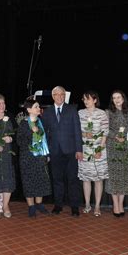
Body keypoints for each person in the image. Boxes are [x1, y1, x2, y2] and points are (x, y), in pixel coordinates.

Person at [42, 86, 83, 217]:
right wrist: (46, 152)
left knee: (72, 180)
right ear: (53, 96)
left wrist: (79, 150)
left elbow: (77, 131)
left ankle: (75, 207)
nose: (60, 97)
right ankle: (58, 205)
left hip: (71, 151)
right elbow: (44, 134)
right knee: (57, 179)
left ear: (65, 96)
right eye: (57, 94)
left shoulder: (71, 110)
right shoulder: (47, 112)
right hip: (54, 151)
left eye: (62, 94)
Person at [17, 98, 52, 217]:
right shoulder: (23, 123)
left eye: (38, 106)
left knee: (41, 180)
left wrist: (47, 154)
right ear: (29, 109)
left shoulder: (41, 122)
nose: (39, 109)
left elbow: (45, 140)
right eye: (36, 107)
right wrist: (31, 132)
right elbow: (19, 141)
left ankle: (39, 204)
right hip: (27, 157)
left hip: (40, 157)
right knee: (29, 181)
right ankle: (31, 206)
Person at [78, 91, 109, 217]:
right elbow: (75, 131)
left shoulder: (102, 114)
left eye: (88, 99)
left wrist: (99, 150)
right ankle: (87, 204)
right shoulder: (80, 113)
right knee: (86, 179)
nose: (86, 101)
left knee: (98, 179)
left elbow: (105, 132)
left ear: (95, 100)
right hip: (85, 150)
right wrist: (84, 134)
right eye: (84, 99)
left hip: (98, 150)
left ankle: (97, 206)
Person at [105, 90, 128, 217]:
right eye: (114, 97)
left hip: (125, 147)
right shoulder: (108, 112)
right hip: (112, 147)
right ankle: (115, 205)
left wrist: (125, 137)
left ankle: (121, 204)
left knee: (123, 176)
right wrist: (116, 136)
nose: (116, 100)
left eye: (119, 97)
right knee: (113, 176)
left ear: (123, 98)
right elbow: (105, 129)